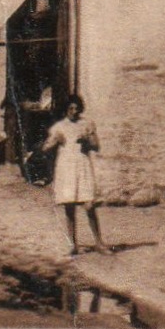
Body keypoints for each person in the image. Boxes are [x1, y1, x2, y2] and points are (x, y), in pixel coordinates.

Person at [37, 94, 110, 255]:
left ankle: (99, 243)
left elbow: (96, 146)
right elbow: (44, 149)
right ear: (65, 109)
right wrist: (55, 140)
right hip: (66, 167)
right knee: (69, 205)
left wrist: (87, 140)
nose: (74, 111)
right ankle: (73, 244)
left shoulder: (87, 124)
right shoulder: (59, 127)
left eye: (76, 108)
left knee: (89, 205)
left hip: (82, 166)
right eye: (70, 108)